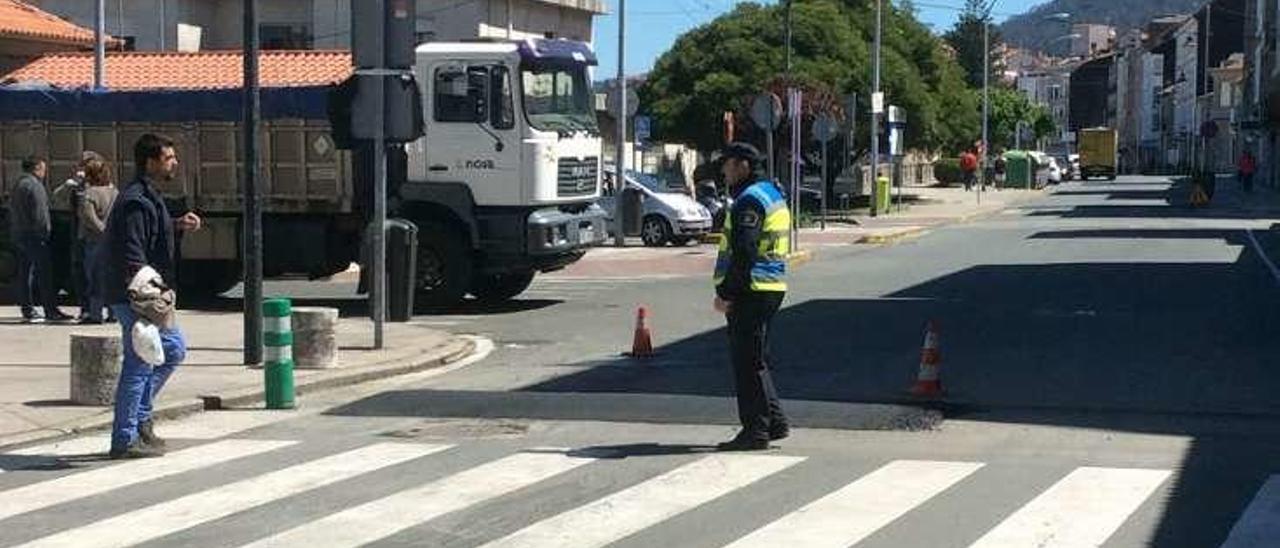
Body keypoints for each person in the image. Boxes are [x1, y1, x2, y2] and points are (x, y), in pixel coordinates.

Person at [101, 134, 202, 459]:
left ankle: (140, 420)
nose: (174, 162)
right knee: (141, 361)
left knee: (171, 350)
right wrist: (146, 292)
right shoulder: (134, 200)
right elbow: (132, 250)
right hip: (135, 294)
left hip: (142, 290)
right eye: (168, 157)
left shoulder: (147, 197)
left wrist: (176, 225)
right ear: (151, 162)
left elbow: (148, 233)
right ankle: (125, 438)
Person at [712, 142, 790, 451]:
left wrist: (727, 293)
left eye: (727, 164)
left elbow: (744, 252)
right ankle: (775, 421)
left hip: (751, 289)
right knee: (756, 359)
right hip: (770, 286)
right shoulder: (772, 193)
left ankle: (755, 431)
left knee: (746, 362)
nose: (723, 170)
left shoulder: (749, 201)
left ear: (743, 165)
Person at [8, 156, 71, 323]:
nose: (45, 172)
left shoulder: (18, 184)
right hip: (34, 236)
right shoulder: (35, 186)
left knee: (24, 274)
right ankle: (50, 310)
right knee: (44, 274)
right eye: (43, 168)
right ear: (36, 168)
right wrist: (45, 232)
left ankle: (27, 309)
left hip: (20, 234)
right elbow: (40, 214)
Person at [53, 151, 105, 321]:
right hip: (78, 234)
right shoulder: (76, 185)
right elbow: (57, 198)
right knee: (79, 272)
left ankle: (101, 309)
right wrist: (71, 185)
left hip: (93, 235)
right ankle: (86, 308)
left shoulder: (100, 186)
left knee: (96, 274)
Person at [78, 157, 118, 324]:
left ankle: (95, 314)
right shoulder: (115, 192)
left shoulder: (89, 194)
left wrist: (102, 231)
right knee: (111, 277)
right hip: (113, 241)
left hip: (95, 241)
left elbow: (89, 218)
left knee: (95, 277)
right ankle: (113, 313)